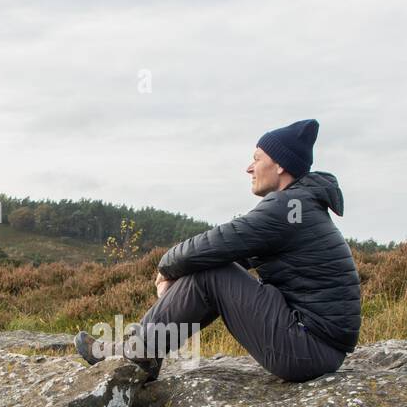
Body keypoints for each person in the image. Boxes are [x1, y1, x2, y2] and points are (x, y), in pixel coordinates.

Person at [74, 118, 361, 382]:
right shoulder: (299, 206)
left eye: (256, 159)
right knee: (210, 266)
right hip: (315, 347)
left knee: (211, 271)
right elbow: (230, 251)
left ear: (280, 166)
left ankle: (138, 353)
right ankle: (141, 352)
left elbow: (215, 243)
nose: (249, 168)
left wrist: (165, 268)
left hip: (308, 348)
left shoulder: (288, 208)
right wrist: (185, 271)